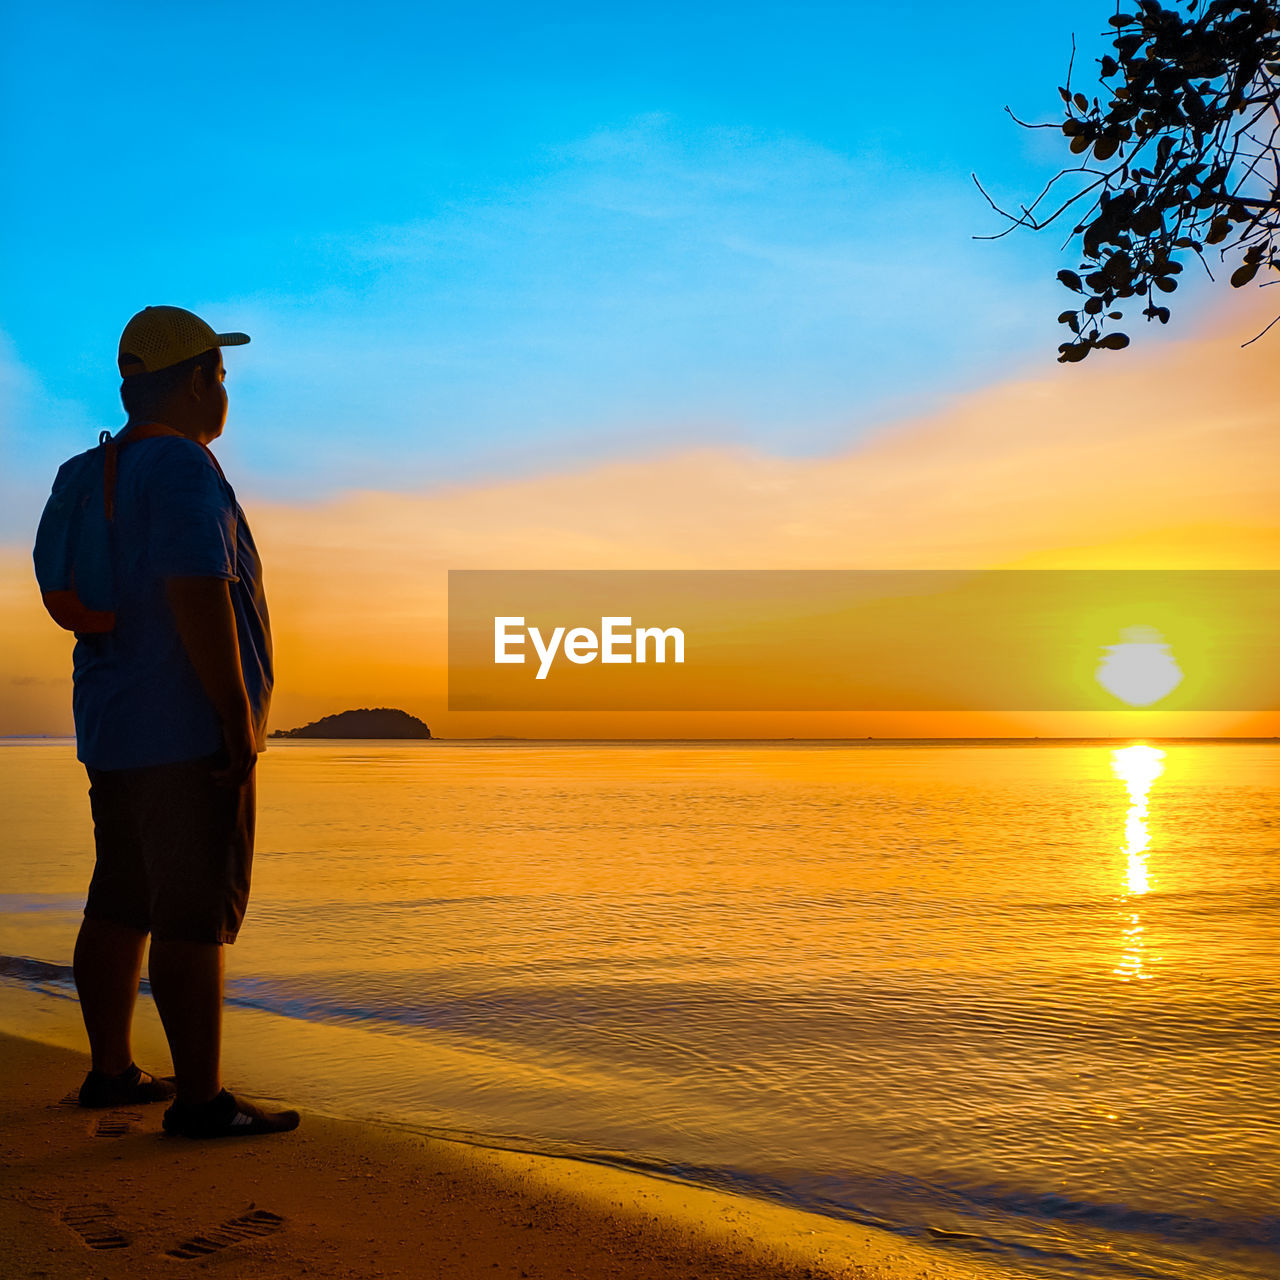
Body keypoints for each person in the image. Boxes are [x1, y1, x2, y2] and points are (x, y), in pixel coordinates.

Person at [67, 305, 298, 1138]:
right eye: (221, 375)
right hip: (185, 730)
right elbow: (197, 589)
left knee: (120, 899)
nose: (225, 391)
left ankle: (111, 1071)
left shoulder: (87, 471)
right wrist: (235, 721)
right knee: (194, 914)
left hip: (112, 725)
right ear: (198, 379)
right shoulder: (186, 469)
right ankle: (200, 1102)